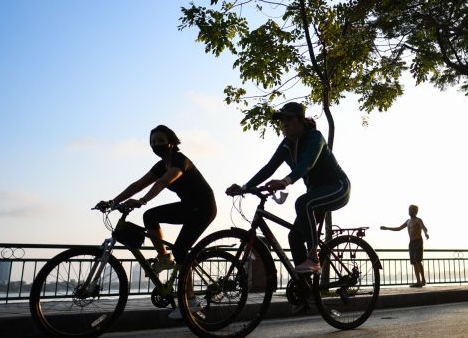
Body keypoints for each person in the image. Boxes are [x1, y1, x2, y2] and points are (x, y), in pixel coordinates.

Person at [226, 102, 351, 274]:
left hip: (338, 188)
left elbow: (307, 163)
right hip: (315, 195)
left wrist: (285, 181)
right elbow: (269, 168)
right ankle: (304, 287)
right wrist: (244, 187)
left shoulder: (315, 137)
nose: (284, 123)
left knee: (303, 203)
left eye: (289, 119)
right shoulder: (286, 145)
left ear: (300, 120)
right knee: (294, 236)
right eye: (281, 120)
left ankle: (313, 258)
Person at [97, 125, 217, 273]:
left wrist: (142, 200)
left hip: (204, 208)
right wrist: (112, 202)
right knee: (150, 216)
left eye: (160, 141)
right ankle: (165, 259)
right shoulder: (160, 166)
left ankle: (185, 289)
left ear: (171, 143)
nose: (156, 145)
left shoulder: (180, 161)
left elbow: (163, 182)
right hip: (188, 206)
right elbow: (137, 185)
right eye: (153, 142)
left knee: (180, 251)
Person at [381, 204, 429, 287]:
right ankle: (418, 281)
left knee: (418, 260)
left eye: (411, 210)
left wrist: (426, 233)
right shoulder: (408, 221)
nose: (409, 211)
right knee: (414, 262)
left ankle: (423, 280)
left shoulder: (418, 220)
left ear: (415, 211)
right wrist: (387, 228)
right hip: (411, 243)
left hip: (418, 242)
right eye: (409, 210)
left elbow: (424, 228)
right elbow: (399, 228)